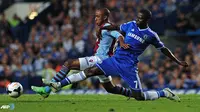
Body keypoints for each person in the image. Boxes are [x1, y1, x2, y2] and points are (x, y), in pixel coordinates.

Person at [44, 9, 189, 101]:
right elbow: (116, 28)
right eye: (137, 17)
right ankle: (58, 84)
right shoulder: (130, 24)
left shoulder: (151, 35)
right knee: (90, 71)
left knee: (139, 96)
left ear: (146, 20)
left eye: (140, 19)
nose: (137, 20)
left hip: (129, 66)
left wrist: (178, 61)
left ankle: (164, 93)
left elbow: (163, 49)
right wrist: (102, 28)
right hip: (115, 60)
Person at [32, 8, 133, 98]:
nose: (95, 18)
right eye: (95, 16)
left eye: (98, 16)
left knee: (69, 64)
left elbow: (118, 35)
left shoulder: (107, 28)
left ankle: (48, 89)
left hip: (100, 59)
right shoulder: (105, 27)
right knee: (111, 88)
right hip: (105, 61)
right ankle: (132, 94)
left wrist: (122, 42)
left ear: (105, 17)